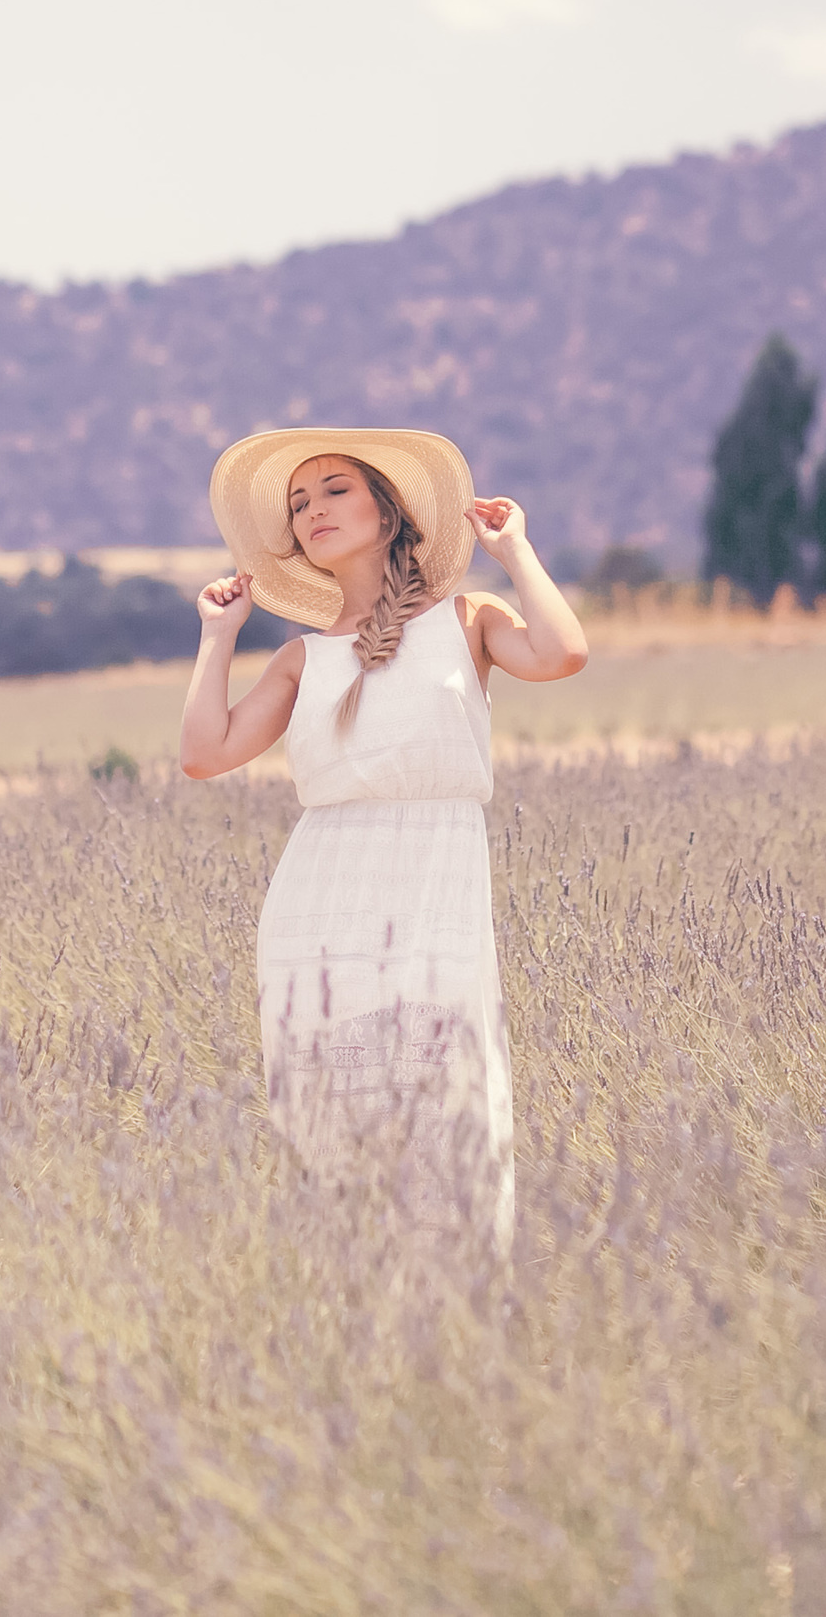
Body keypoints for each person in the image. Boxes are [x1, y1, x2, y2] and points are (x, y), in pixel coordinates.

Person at [179, 429, 588, 1244]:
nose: (313, 510)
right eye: (299, 504)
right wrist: (217, 637)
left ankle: (460, 1310)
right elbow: (203, 753)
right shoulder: (304, 656)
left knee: (449, 1096)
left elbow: (563, 651)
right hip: (320, 905)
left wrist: (514, 552)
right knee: (336, 1116)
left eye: (334, 489)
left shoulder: (469, 618)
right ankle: (356, 1313)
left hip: (438, 885)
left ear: (389, 509)